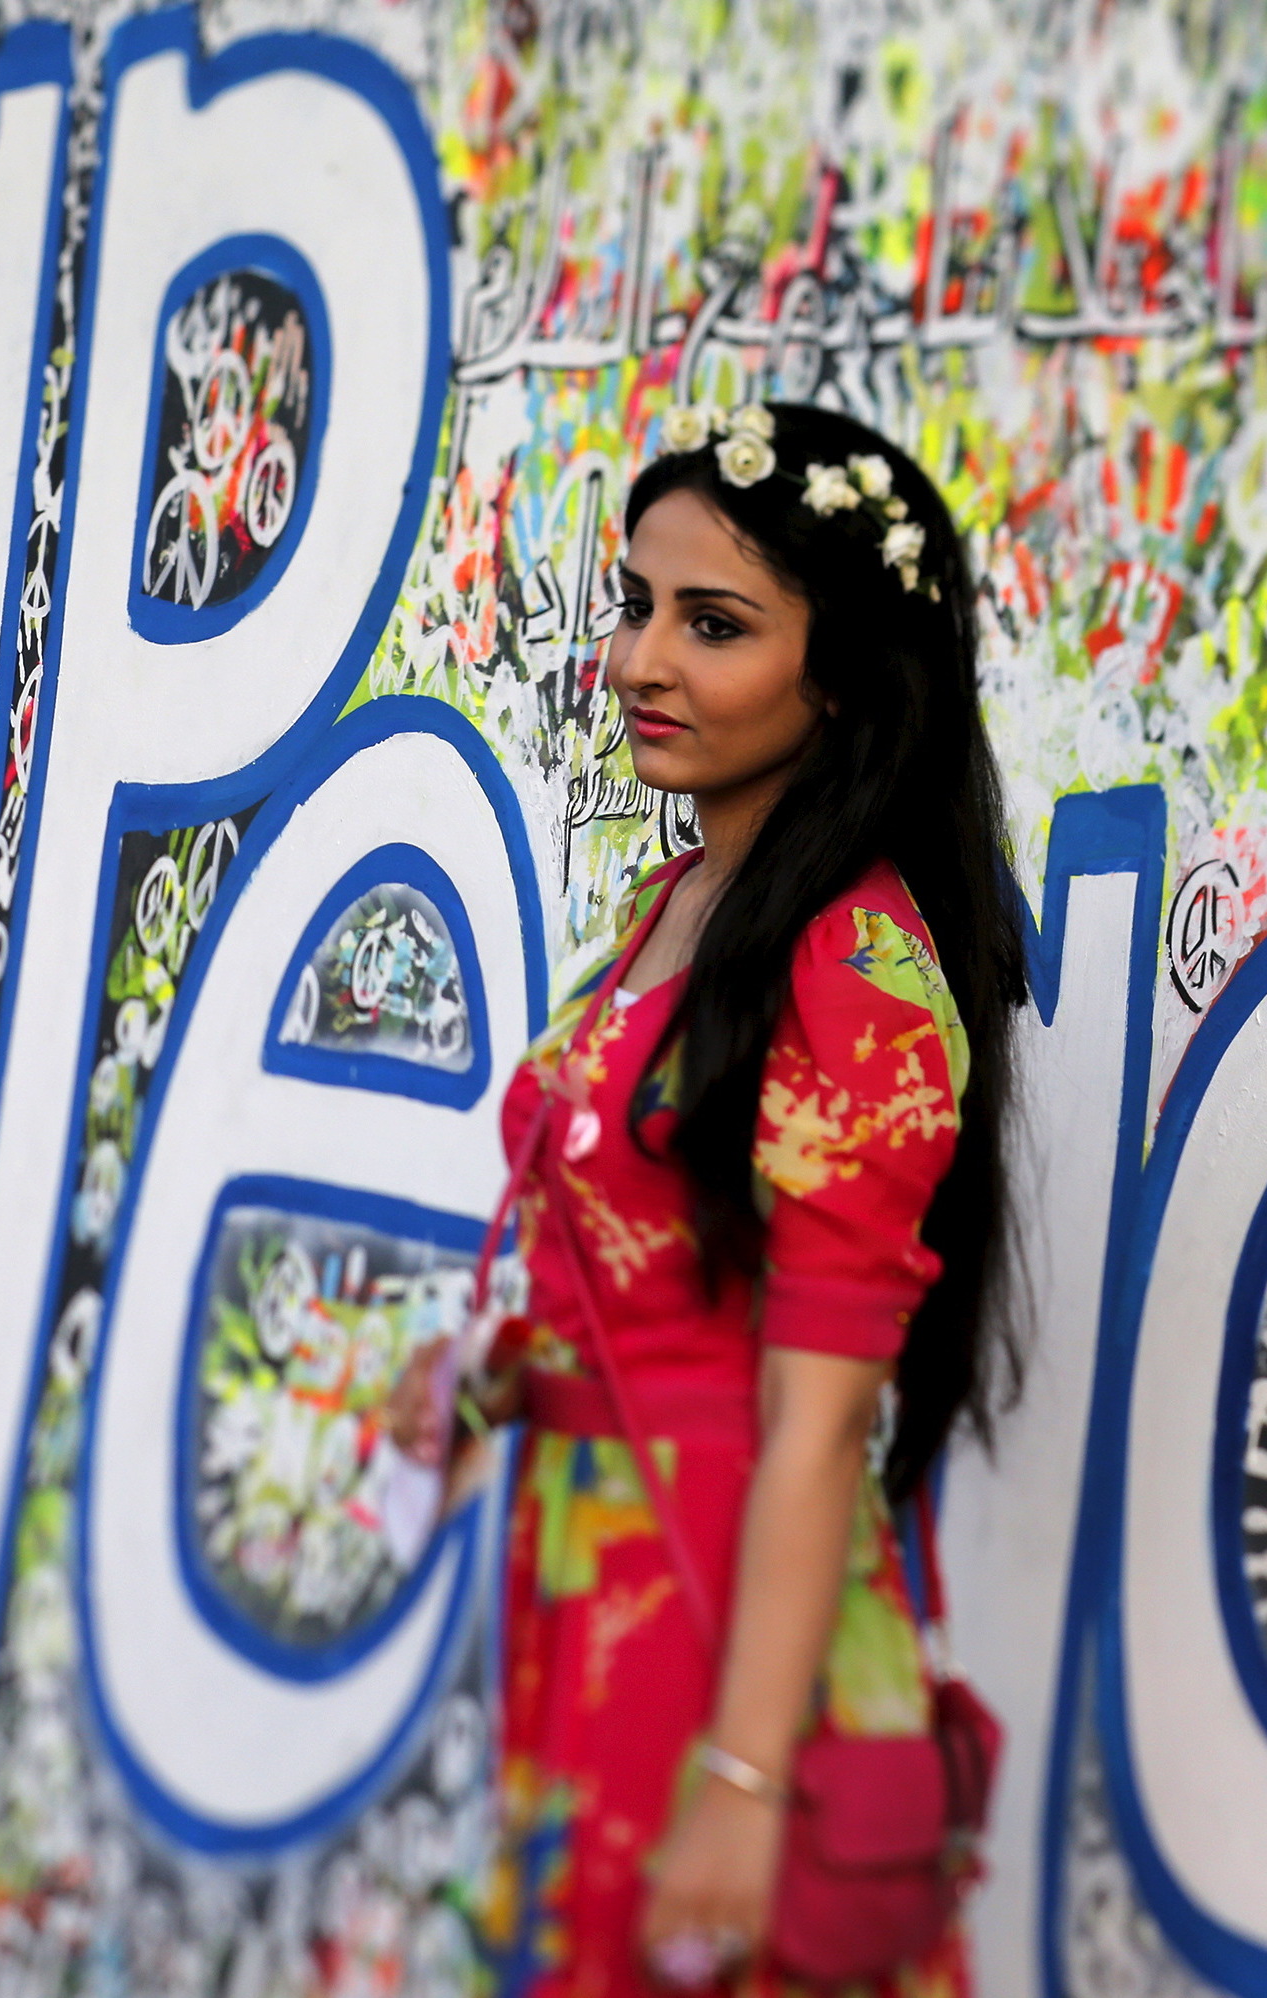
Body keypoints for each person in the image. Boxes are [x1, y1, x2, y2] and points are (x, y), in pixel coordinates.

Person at [392, 399, 1026, 1994]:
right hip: (591, 1585)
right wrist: (502, 1374)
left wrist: (743, 1782)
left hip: (727, 1618)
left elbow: (817, 1420)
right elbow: (664, 1275)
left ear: (840, 680)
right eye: (635, 604)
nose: (638, 660)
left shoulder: (856, 968)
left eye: (713, 623)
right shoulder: (685, 898)